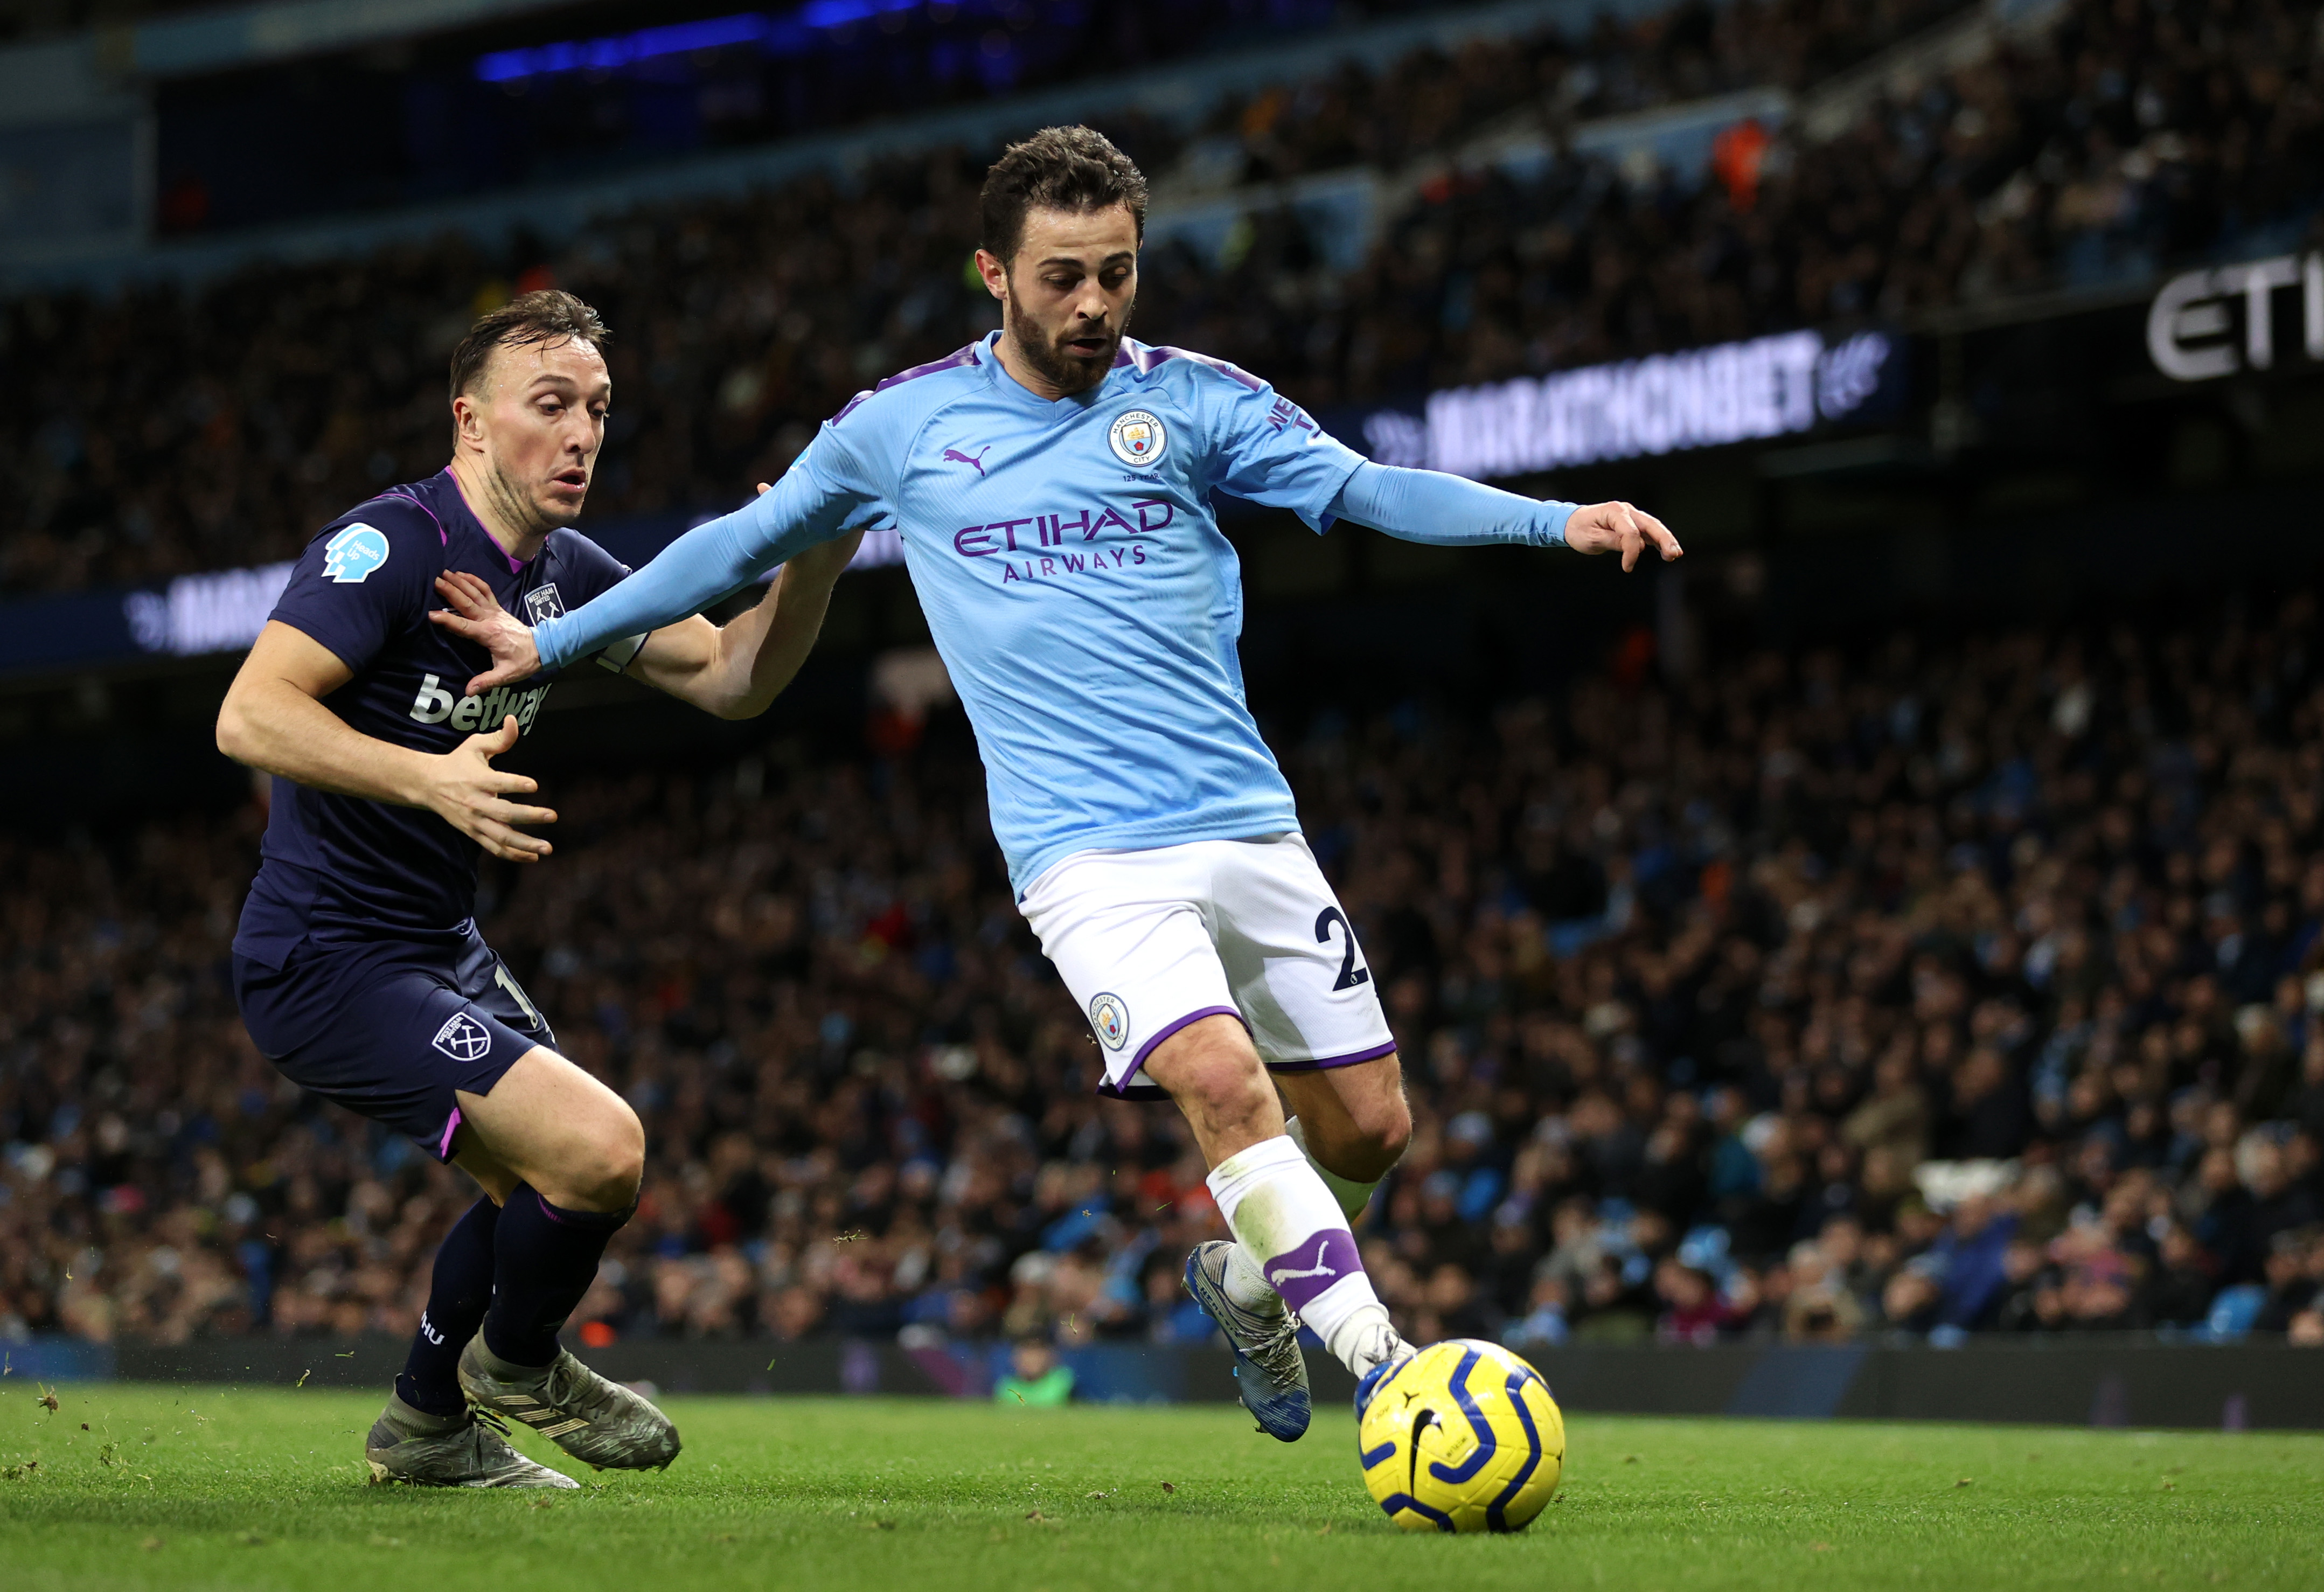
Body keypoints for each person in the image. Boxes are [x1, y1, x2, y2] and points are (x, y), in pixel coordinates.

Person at [430, 127, 1680, 1442]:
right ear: (995, 273)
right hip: (1084, 856)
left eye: (1118, 275)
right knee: (1221, 1079)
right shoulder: (901, 426)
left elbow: (1366, 490)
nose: (1093, 304)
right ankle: (1390, 1370)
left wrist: (1555, 520)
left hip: (1246, 821)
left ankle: (1249, 1284)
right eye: (1063, 276)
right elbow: (735, 548)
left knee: (1369, 1130)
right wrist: (552, 644)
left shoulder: (1196, 401)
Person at [215, 290, 860, 1486]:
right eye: (551, 406)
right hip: (323, 953)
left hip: (434, 941)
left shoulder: (564, 574)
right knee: (600, 1149)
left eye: (599, 411)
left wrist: (812, 552)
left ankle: (425, 1424)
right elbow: (249, 713)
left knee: (543, 1181)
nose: (581, 436)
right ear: (470, 420)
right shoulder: (392, 545)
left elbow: (730, 677)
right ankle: (515, 1364)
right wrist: (430, 782)